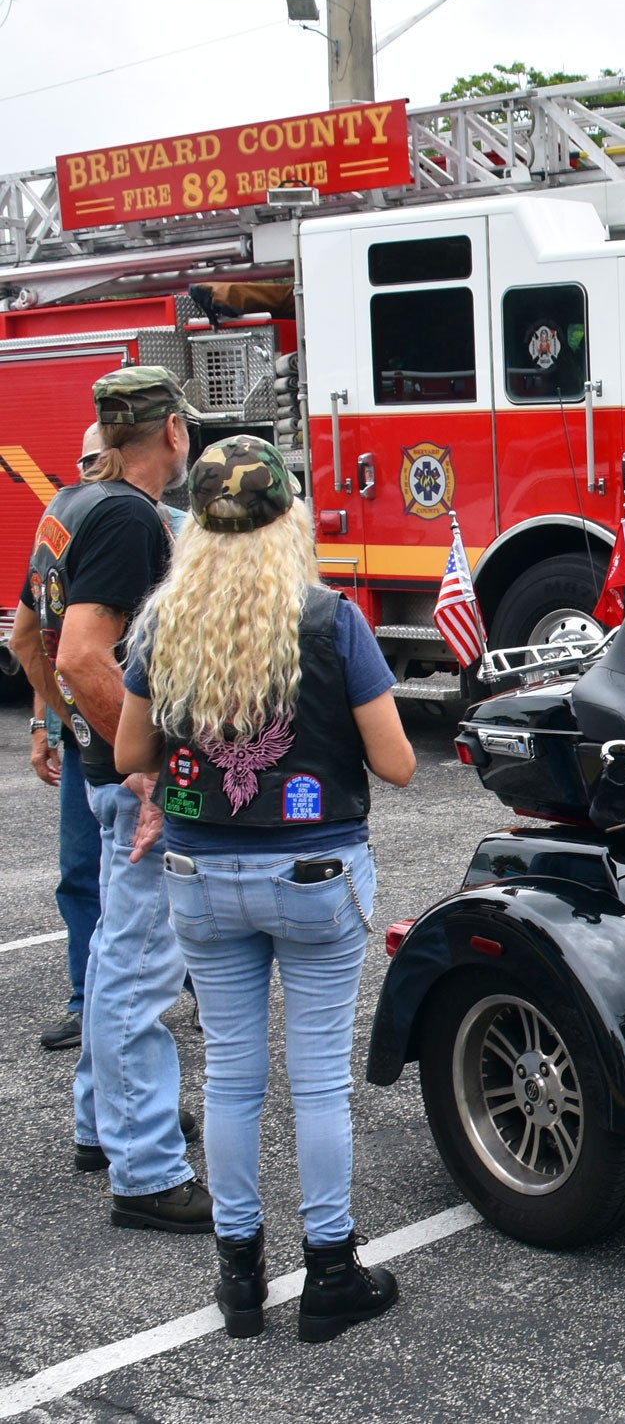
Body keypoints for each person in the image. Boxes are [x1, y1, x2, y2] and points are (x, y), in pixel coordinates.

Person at [116, 435, 416, 1343]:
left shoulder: (165, 625)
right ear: (291, 520)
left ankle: (238, 1278)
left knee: (234, 1079)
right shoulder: (332, 622)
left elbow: (131, 753)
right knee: (318, 1083)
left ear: (196, 528)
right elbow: (399, 764)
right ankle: (330, 1272)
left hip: (201, 876)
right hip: (315, 875)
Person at [10, 366, 209, 1232]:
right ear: (171, 432)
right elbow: (85, 655)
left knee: (107, 961)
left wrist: (62, 729)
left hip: (96, 775)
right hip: (129, 790)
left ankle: (107, 1124)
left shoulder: (70, 506)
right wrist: (148, 767)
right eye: (185, 426)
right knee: (137, 973)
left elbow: (27, 636)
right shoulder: (131, 516)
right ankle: (147, 1170)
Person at [26, 425, 106, 1053]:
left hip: (143, 742)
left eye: (94, 457)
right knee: (80, 873)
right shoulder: (68, 531)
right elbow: (43, 638)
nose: (88, 470)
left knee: (169, 870)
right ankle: (87, 1000)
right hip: (91, 741)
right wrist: (48, 724)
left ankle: (197, 989)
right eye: (80, 460)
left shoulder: (171, 527)